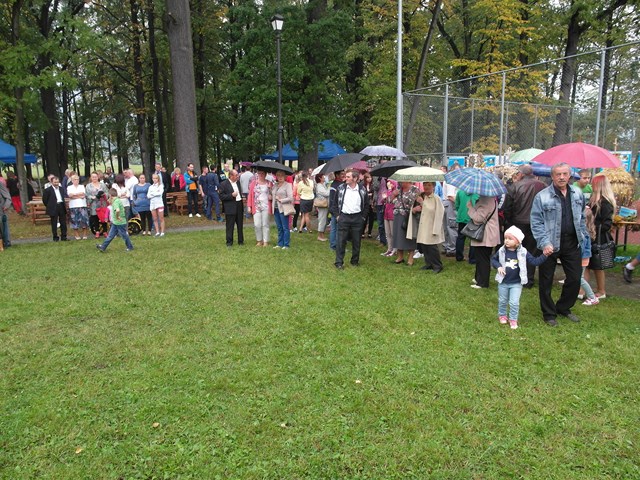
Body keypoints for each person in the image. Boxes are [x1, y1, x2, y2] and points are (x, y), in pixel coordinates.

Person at [530, 162, 586, 326]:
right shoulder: (542, 196)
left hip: (572, 242)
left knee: (575, 278)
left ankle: (563, 307)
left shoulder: (577, 193)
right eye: (558, 174)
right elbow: (536, 222)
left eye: (564, 174)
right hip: (549, 243)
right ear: (552, 176)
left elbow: (581, 216)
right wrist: (544, 242)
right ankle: (549, 314)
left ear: (570, 175)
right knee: (546, 280)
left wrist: (583, 235)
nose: (561, 177)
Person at [491, 226, 549, 329]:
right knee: (503, 300)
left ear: (518, 242)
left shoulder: (523, 252)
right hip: (503, 282)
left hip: (516, 283)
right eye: (505, 238)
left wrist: (544, 255)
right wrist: (499, 266)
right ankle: (502, 315)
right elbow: (494, 260)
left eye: (510, 238)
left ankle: (513, 319)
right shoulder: (501, 250)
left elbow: (534, 262)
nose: (507, 241)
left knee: (514, 302)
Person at [502, 164, 546, 288]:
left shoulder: (515, 186)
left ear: (521, 174)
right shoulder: (542, 186)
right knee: (532, 251)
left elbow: (508, 207)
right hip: (536, 223)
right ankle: (528, 279)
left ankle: (516, 277)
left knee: (516, 250)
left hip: (518, 222)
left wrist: (508, 223)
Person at [331, 169, 369, 269]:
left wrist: (363, 217)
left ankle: (354, 261)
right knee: (341, 241)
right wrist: (338, 216)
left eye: (348, 177)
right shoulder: (341, 188)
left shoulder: (362, 189)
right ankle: (339, 262)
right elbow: (334, 204)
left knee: (356, 241)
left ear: (355, 178)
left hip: (357, 218)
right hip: (344, 217)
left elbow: (366, 205)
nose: (345, 178)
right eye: (345, 176)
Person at [585, 175, 616, 299]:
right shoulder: (594, 200)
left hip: (598, 238)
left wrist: (592, 226)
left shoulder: (605, 203)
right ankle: (584, 290)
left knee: (598, 266)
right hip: (592, 237)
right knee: (587, 264)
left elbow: (607, 224)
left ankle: (601, 290)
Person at [411, 181, 445, 273]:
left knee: (432, 246)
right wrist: (415, 209)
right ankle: (429, 263)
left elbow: (437, 212)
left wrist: (422, 203)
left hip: (431, 224)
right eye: (425, 185)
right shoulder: (421, 196)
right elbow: (414, 208)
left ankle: (437, 265)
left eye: (429, 185)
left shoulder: (436, 198)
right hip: (422, 224)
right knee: (424, 245)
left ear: (433, 186)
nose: (426, 187)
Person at [467, 195, 500, 288]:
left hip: (486, 234)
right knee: (480, 257)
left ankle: (483, 283)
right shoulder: (488, 199)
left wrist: (470, 207)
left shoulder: (486, 200)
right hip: (488, 233)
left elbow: (478, 218)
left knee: (483, 258)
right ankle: (479, 278)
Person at [96, 188, 134, 252]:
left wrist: (117, 217)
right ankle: (103, 247)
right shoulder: (117, 200)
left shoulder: (116, 202)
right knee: (110, 235)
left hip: (120, 223)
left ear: (110, 195)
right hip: (116, 223)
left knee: (124, 235)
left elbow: (117, 210)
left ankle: (130, 247)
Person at [391, 181, 419, 265]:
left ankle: (410, 257)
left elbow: (416, 202)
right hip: (397, 215)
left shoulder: (415, 190)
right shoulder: (398, 189)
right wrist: (393, 195)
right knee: (399, 236)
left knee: (409, 236)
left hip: (409, 215)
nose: (401, 182)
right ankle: (400, 256)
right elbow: (389, 201)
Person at [579, 206, 599, 306]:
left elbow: (581, 249)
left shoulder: (584, 233)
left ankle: (592, 297)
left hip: (582, 258)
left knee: (579, 278)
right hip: (584, 258)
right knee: (578, 277)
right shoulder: (587, 231)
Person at [219, 169, 244, 247]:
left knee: (240, 224)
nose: (237, 176)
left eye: (237, 175)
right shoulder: (224, 184)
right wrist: (231, 195)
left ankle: (241, 241)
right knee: (230, 225)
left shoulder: (238, 182)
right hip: (230, 206)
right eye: (236, 175)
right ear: (231, 176)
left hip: (239, 205)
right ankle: (229, 242)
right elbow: (221, 196)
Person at [247, 170, 272, 246]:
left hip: (266, 206)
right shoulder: (253, 183)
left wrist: (270, 190)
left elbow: (272, 195)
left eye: (262, 173)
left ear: (265, 174)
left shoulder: (269, 183)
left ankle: (265, 241)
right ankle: (259, 240)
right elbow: (250, 195)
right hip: (256, 206)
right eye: (259, 173)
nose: (261, 175)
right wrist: (249, 206)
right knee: (257, 224)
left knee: (265, 224)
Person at [454, 189, 479, 264]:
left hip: (461, 218)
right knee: (472, 239)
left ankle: (459, 257)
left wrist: (461, 212)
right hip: (472, 218)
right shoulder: (477, 194)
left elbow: (456, 205)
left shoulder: (460, 192)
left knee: (460, 237)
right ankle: (472, 259)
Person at [272, 170, 294, 249]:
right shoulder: (275, 185)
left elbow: (291, 197)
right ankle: (280, 243)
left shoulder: (288, 185)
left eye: (282, 175)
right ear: (276, 177)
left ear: (285, 176)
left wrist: (281, 200)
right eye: (278, 175)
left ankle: (286, 244)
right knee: (279, 227)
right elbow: (273, 195)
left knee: (285, 227)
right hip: (275, 208)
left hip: (284, 208)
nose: (280, 177)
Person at [42, 176, 68, 242]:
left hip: (61, 206)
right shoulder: (47, 190)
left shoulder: (61, 189)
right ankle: (55, 237)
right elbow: (45, 200)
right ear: (51, 182)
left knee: (63, 222)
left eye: (57, 182)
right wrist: (50, 206)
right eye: (55, 182)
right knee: (54, 222)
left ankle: (64, 236)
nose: (56, 183)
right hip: (53, 207)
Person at [85, 172, 110, 238]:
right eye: (93, 177)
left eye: (95, 177)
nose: (94, 178)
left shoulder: (102, 185)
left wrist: (104, 195)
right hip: (94, 204)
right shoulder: (88, 186)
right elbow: (87, 195)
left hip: (102, 203)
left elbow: (107, 192)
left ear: (98, 177)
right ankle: (97, 231)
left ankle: (105, 231)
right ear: (91, 177)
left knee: (103, 217)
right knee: (95, 218)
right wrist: (92, 197)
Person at [442, 165, 459, 257]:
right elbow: (451, 196)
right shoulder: (452, 181)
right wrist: (460, 204)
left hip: (446, 204)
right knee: (452, 227)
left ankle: (446, 246)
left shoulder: (447, 179)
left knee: (446, 227)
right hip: (450, 204)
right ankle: (451, 249)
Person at [66, 174, 89, 240]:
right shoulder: (69, 187)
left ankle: (85, 234)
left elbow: (83, 195)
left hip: (82, 205)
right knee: (74, 220)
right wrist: (77, 195)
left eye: (77, 179)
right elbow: (70, 195)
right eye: (75, 179)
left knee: (84, 220)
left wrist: (74, 195)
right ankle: (77, 234)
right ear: (72, 180)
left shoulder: (82, 186)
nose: (76, 181)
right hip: (73, 206)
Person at [328, 171, 345, 250]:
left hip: (334, 209)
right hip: (337, 209)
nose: (343, 175)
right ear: (337, 175)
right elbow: (332, 199)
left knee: (334, 228)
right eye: (342, 174)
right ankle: (337, 246)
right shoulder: (338, 185)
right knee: (337, 228)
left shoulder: (335, 184)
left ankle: (333, 245)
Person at [381, 179, 398, 257]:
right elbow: (385, 201)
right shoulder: (388, 191)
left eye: (390, 183)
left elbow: (391, 199)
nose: (388, 184)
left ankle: (395, 249)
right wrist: (383, 198)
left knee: (393, 232)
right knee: (388, 233)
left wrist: (390, 190)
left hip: (392, 214)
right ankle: (389, 249)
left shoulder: (396, 192)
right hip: (386, 214)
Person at [314, 174, 330, 241]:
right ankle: (320, 235)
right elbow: (326, 193)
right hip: (322, 205)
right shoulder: (319, 186)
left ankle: (322, 234)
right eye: (323, 177)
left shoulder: (322, 185)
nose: (324, 178)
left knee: (324, 219)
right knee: (322, 219)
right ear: (320, 178)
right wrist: (329, 187)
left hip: (325, 204)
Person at [361, 173, 376, 239]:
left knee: (371, 219)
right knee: (365, 218)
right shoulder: (362, 185)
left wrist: (371, 195)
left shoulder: (373, 185)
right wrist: (367, 194)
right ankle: (362, 232)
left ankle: (369, 232)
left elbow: (375, 193)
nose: (369, 179)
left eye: (370, 177)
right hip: (365, 204)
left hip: (372, 203)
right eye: (368, 177)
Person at [0, 181, 12, 249]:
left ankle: (6, 242)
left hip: (1, 210)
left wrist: (6, 205)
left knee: (3, 227)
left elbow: (8, 197)